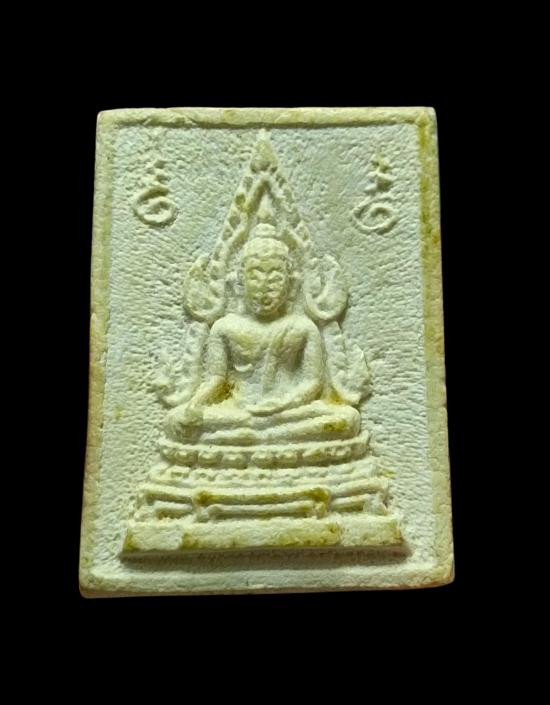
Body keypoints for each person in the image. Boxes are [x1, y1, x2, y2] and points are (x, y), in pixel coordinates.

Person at [165, 223, 360, 445]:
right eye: (255, 277)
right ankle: (261, 436)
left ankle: (248, 438)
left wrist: (283, 404)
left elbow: (312, 382)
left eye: (275, 278)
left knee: (346, 419)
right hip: (240, 410)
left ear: (291, 283)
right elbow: (216, 380)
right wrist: (195, 404)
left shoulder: (303, 327)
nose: (265, 286)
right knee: (176, 420)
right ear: (240, 281)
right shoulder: (225, 327)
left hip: (288, 411)